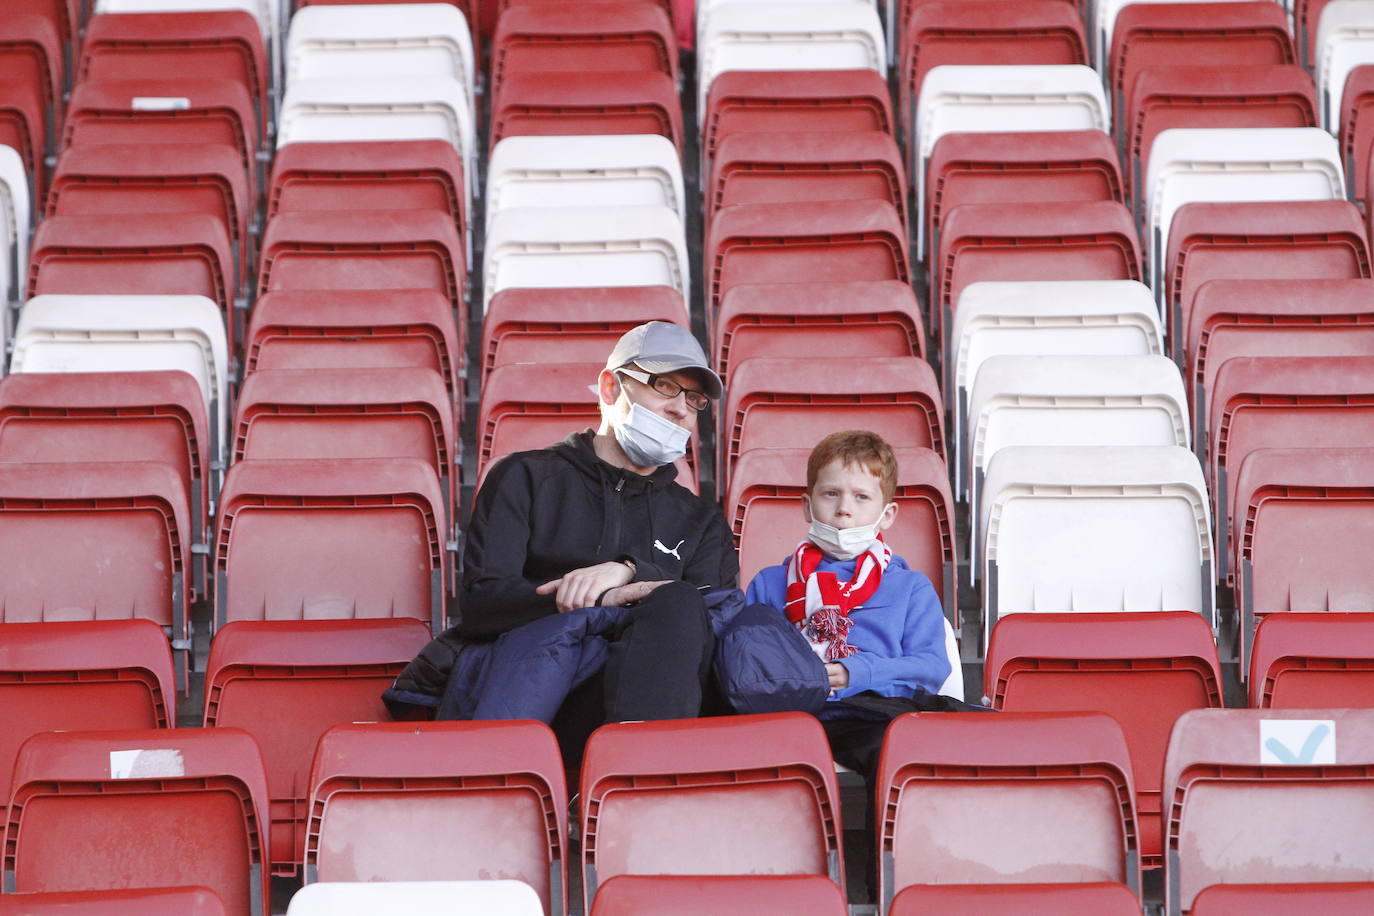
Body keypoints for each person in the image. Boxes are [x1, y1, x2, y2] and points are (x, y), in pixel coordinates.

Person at [458, 321, 739, 758]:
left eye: (694, 398)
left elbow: (713, 623)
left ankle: (636, 782)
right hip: (537, 693)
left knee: (682, 605)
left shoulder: (700, 519)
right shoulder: (526, 477)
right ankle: (639, 787)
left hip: (656, 699)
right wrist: (591, 598)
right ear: (610, 388)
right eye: (664, 386)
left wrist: (630, 574)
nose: (681, 410)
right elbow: (481, 604)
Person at [744, 430, 951, 784]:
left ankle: (890, 840)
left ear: (887, 515)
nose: (844, 509)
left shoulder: (911, 588)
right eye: (830, 494)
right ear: (807, 506)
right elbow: (751, 664)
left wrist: (860, 672)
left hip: (877, 715)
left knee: (901, 750)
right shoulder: (769, 583)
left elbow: (931, 667)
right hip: (793, 716)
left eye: (861, 497)